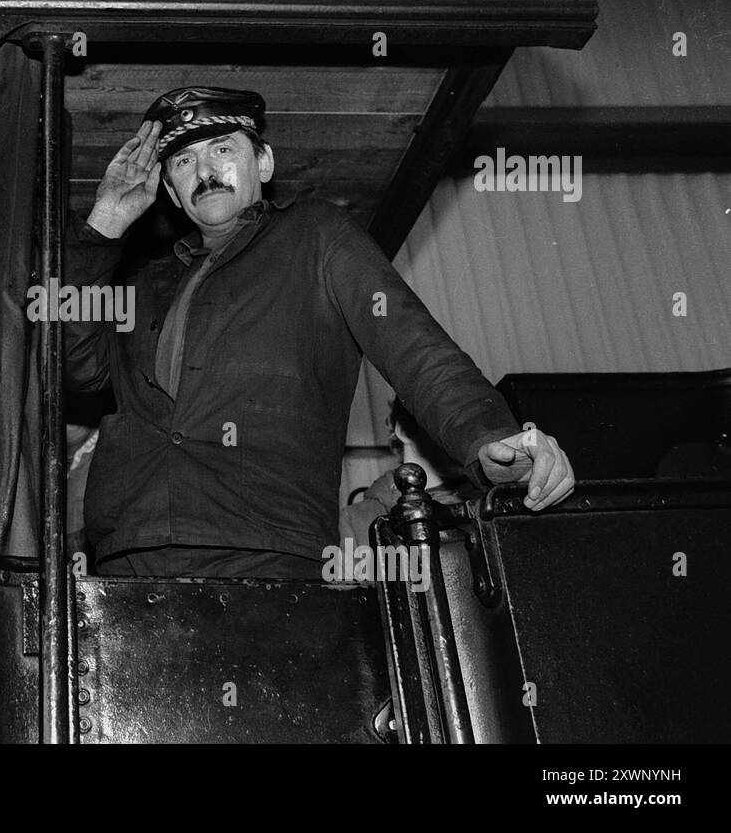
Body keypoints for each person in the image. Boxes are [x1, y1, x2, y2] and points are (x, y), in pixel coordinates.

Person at [64, 85, 575, 578]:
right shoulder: (144, 281)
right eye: (183, 162)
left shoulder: (316, 235)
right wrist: (106, 221)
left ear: (262, 163)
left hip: (268, 547)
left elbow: (415, 349)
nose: (204, 170)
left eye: (222, 149)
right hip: (129, 554)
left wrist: (492, 440)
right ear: (173, 195)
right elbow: (77, 367)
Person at [339, 397, 480, 551]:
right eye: (449, 425)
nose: (466, 441)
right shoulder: (354, 521)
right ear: (405, 430)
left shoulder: (485, 506)